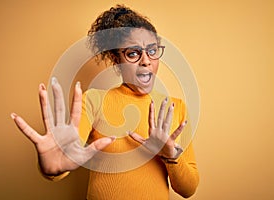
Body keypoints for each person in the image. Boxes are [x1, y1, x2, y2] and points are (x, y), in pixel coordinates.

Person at [11, 4, 199, 200]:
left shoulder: (175, 108)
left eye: (152, 51)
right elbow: (67, 156)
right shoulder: (94, 101)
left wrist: (171, 156)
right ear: (115, 59)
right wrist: (54, 167)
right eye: (133, 53)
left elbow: (188, 189)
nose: (146, 60)